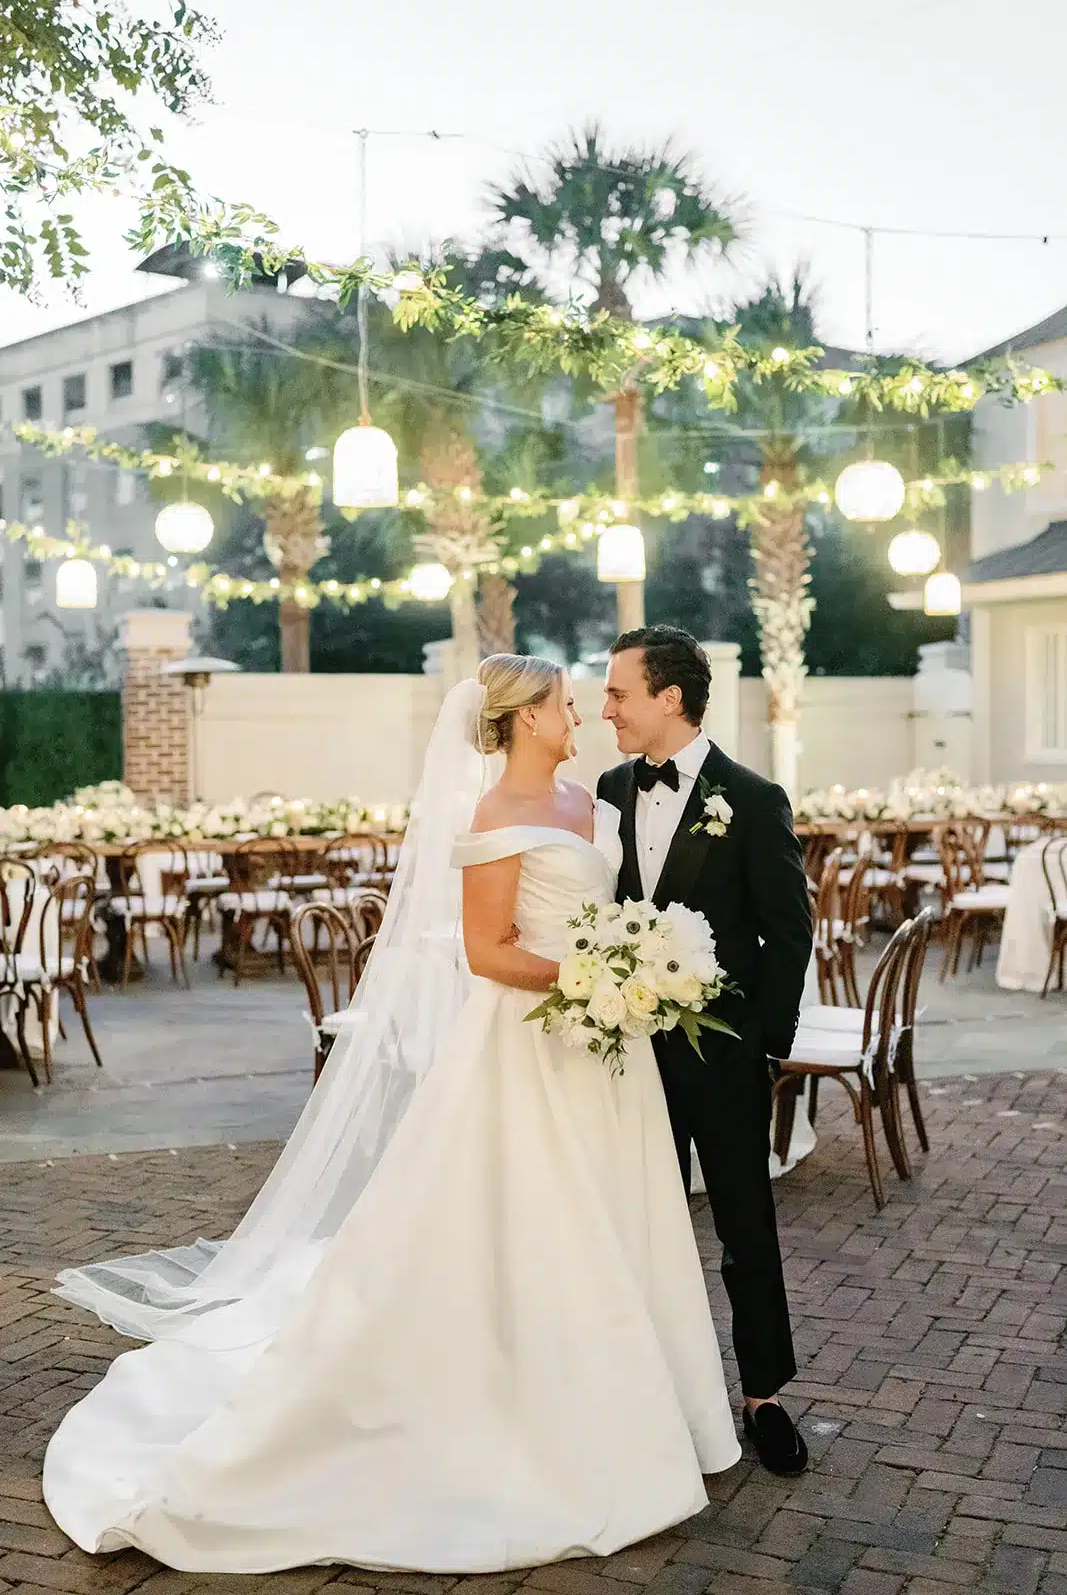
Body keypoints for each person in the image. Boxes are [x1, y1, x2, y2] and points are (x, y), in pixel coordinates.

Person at [42, 654, 741, 1576]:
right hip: (528, 1042)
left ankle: (641, 1404)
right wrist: (601, 973)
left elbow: (609, 909)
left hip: (601, 1051)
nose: (576, 713)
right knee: (534, 1220)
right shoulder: (494, 817)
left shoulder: (592, 804)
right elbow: (491, 952)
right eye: (560, 704)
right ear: (523, 719)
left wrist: (632, 964)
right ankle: (540, 1412)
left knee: (617, 1215)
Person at [597, 626, 813, 1477]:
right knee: (637, 1226)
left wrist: (760, 1046)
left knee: (743, 1231)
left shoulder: (752, 799)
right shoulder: (610, 788)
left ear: (669, 699)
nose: (604, 709)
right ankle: (647, 1395)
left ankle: (763, 1397)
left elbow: (787, 934)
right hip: (624, 1054)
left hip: (720, 1058)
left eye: (618, 693)